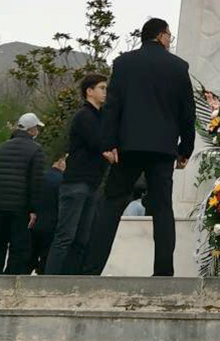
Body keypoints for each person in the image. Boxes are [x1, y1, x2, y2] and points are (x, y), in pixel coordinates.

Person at [83, 18, 195, 278]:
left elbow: (113, 106)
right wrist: (185, 149)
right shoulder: (178, 67)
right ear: (162, 36)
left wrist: (108, 143)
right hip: (162, 150)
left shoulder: (123, 63)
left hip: (128, 147)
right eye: (169, 35)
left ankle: (91, 269)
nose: (170, 40)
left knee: (110, 206)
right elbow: (187, 112)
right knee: (163, 209)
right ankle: (163, 272)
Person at [43, 73, 108, 276]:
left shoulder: (100, 117)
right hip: (76, 183)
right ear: (89, 91)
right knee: (65, 236)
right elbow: (98, 142)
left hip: (91, 184)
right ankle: (50, 280)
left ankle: (70, 278)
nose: (105, 92)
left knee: (82, 238)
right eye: (102, 88)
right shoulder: (84, 116)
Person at [0, 113, 46, 277]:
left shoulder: (2, 147)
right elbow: (36, 183)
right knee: (17, 248)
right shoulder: (36, 151)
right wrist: (34, 210)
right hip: (18, 209)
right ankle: (5, 281)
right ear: (32, 130)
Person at [31, 155, 66, 272]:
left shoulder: (39, 177)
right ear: (61, 162)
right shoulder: (63, 182)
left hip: (33, 223)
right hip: (51, 227)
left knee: (27, 260)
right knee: (45, 263)